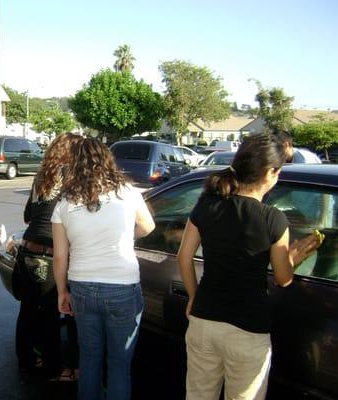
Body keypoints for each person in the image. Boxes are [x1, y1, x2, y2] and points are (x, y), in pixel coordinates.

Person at [176, 132, 322, 400]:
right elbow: (283, 279)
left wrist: (194, 297)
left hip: (203, 321)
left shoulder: (206, 204)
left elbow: (183, 257)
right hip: (248, 330)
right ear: (269, 172)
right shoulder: (273, 219)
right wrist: (293, 258)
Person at [51, 138, 155, 400]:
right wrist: (123, 235)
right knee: (119, 364)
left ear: (74, 164)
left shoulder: (64, 202)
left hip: (82, 287)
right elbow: (148, 227)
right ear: (107, 159)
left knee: (89, 359)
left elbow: (60, 256)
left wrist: (62, 291)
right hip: (122, 286)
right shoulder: (128, 192)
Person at [15, 132, 82, 381]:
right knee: (52, 313)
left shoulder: (42, 176)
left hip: (28, 249)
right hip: (49, 253)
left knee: (28, 310)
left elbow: (28, 215)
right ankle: (56, 369)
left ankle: (26, 359)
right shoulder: (71, 176)